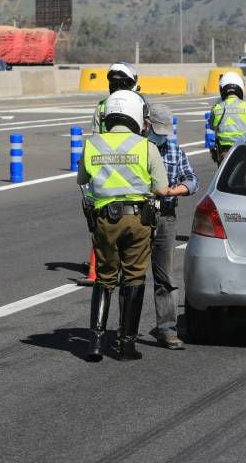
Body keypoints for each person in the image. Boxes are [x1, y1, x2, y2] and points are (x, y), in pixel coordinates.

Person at [77, 90, 184, 362]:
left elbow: (83, 180)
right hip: (138, 219)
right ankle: (126, 345)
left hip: (104, 220)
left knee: (104, 278)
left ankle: (96, 343)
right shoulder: (145, 146)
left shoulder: (92, 144)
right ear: (137, 116)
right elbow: (160, 188)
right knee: (134, 278)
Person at [146, 104, 198, 350]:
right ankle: (126, 331)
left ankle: (167, 329)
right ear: (146, 124)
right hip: (139, 215)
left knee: (165, 276)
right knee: (130, 277)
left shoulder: (174, 150)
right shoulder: (138, 149)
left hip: (165, 215)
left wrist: (175, 190)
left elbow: (192, 179)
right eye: (157, 130)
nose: (161, 135)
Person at [209, 71, 246, 162]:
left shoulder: (216, 108)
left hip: (224, 152)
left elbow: (211, 126)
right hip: (244, 150)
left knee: (225, 175)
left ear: (222, 89)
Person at [91, 62, 141, 132]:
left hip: (106, 143)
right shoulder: (140, 104)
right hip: (135, 142)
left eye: (121, 84)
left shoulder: (101, 106)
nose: (118, 88)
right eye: (114, 83)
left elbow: (95, 137)